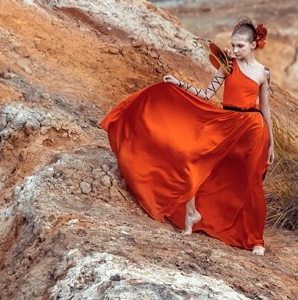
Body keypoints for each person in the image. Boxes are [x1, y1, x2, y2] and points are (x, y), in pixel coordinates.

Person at [100, 17, 274, 255]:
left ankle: (256, 240)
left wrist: (272, 143)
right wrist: (179, 84)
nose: (234, 50)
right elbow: (206, 94)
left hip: (254, 130)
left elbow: (265, 109)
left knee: (251, 183)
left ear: (254, 44)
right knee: (190, 156)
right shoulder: (227, 66)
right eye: (232, 45)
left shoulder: (263, 73)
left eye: (240, 46)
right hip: (225, 123)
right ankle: (192, 212)